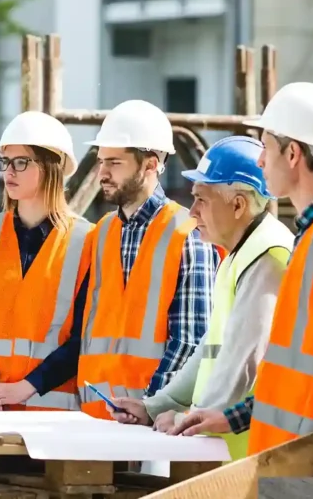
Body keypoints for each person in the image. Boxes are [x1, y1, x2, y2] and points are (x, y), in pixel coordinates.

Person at [168, 83, 313, 492]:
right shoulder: (312, 238)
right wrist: (232, 417)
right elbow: (293, 374)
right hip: (294, 465)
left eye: (266, 147)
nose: (260, 159)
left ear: (292, 154)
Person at [108, 136, 293, 461]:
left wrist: (189, 418)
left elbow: (242, 363)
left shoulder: (267, 255)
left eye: (201, 200)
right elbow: (210, 351)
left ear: (238, 205)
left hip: (256, 457)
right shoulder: (239, 254)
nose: (192, 213)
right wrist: (156, 407)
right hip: (233, 451)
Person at [77, 99, 222, 420]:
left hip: (155, 422)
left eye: (114, 163)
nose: (102, 173)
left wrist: (151, 405)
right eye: (101, 162)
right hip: (95, 416)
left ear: (151, 164)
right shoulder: (101, 232)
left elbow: (190, 339)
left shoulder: (188, 233)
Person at [0, 111, 92, 412]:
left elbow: (84, 337)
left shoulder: (87, 241)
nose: (9, 172)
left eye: (21, 162)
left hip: (51, 420)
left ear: (50, 166)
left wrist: (25, 388)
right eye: (5, 162)